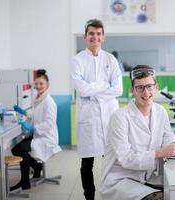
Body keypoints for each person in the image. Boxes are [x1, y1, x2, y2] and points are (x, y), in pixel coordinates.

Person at [101, 65, 175, 200]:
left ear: (156, 87)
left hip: (147, 177)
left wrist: (174, 147)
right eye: (140, 87)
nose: (146, 93)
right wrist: (162, 152)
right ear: (132, 90)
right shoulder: (120, 117)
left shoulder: (161, 111)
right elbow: (126, 159)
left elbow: (168, 139)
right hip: (121, 180)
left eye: (149, 86)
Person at [71, 19, 123, 200]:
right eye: (91, 33)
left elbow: (118, 89)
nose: (95, 37)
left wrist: (93, 89)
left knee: (112, 160)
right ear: (85, 36)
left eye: (99, 34)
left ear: (103, 37)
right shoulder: (77, 60)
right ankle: (89, 196)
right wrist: (103, 85)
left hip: (109, 116)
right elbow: (82, 89)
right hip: (89, 118)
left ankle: (111, 193)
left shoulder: (111, 59)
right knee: (87, 163)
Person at [10, 69, 61, 191]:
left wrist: (32, 128)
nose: (38, 86)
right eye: (36, 84)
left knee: (20, 149)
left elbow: (49, 124)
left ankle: (25, 181)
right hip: (38, 134)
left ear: (47, 85)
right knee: (16, 149)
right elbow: (36, 113)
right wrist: (23, 112)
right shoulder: (39, 98)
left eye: (41, 84)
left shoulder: (49, 102)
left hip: (46, 136)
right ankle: (37, 168)